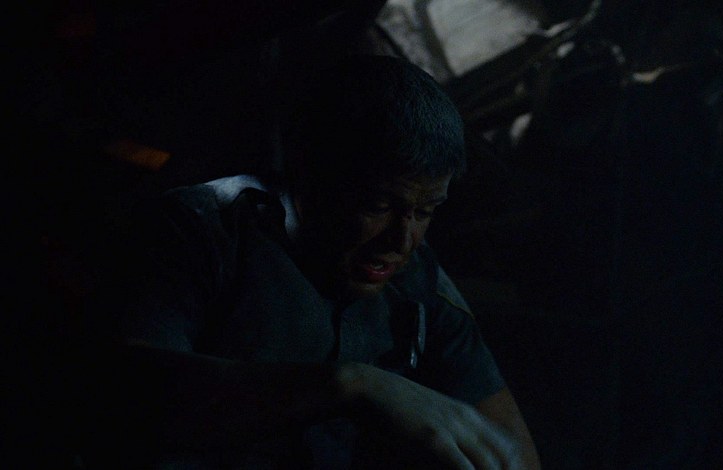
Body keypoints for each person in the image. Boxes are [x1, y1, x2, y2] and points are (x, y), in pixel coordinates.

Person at [80, 54, 541, 469]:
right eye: (378, 205)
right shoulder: (202, 230)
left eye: (425, 211)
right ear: (310, 170)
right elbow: (128, 393)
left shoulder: (420, 281)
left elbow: (511, 451)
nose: (401, 240)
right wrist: (350, 386)